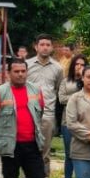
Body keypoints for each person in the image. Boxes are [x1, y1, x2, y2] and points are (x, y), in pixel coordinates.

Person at [24, 34, 64, 163]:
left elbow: (58, 89)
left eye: (48, 45)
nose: (45, 47)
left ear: (52, 48)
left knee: (45, 151)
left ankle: (44, 174)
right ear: (36, 47)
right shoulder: (26, 65)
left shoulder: (58, 68)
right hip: (28, 112)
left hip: (48, 114)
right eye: (42, 45)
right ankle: (27, 174)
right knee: (27, 149)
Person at [58, 54, 86, 178]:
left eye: (82, 65)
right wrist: (78, 96)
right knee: (69, 154)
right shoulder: (65, 81)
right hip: (67, 121)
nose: (79, 67)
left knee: (84, 154)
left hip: (85, 122)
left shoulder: (88, 81)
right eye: (77, 64)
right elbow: (62, 99)